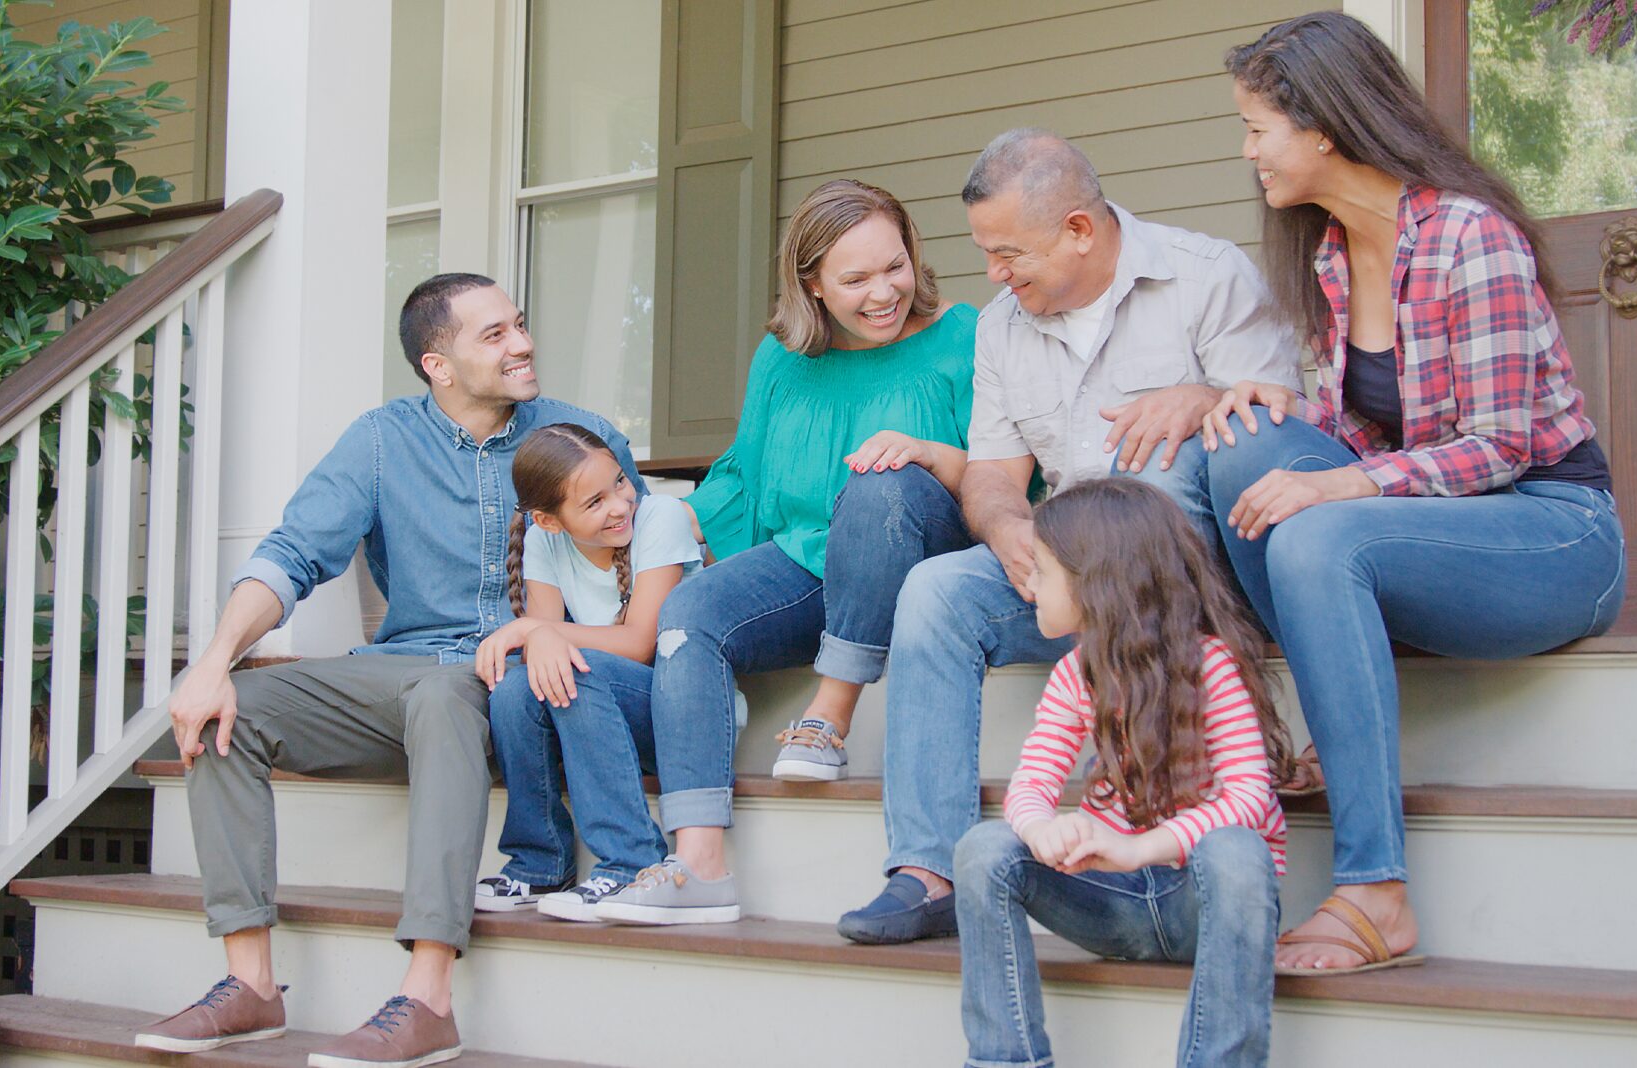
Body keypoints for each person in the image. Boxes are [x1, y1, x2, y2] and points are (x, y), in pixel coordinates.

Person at [1201, 12, 1625, 975]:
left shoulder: (1469, 236)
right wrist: (1276, 414)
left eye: (1257, 127)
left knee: (1316, 537)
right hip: (1434, 531)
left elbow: (1502, 446)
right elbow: (1356, 445)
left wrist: (1346, 483)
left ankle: (1376, 892)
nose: (1248, 151)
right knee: (1242, 450)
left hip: (1554, 531)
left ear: (1323, 126)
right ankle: (1335, 696)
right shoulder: (1328, 260)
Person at [136, 274, 644, 1066]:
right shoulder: (380, 441)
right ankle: (250, 983)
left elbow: (639, 564)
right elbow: (293, 554)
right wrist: (210, 663)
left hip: (518, 682)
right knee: (231, 708)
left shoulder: (576, 435)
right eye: (495, 335)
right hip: (400, 673)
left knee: (445, 693)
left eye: (520, 325)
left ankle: (428, 995)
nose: (523, 343)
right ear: (438, 364)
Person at [839, 128, 1303, 945]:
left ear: (1080, 231)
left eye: (1008, 252)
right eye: (986, 251)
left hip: (1178, 592)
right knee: (937, 591)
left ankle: (1157, 847)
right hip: (1066, 575)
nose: (993, 274)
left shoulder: (1205, 279)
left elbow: (1278, 428)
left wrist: (1200, 395)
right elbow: (990, 473)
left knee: (1157, 479)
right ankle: (929, 869)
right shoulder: (1001, 328)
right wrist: (1010, 525)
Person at [589, 179, 978, 924]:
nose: (883, 292)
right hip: (813, 566)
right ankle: (699, 861)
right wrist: (655, 527)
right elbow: (742, 475)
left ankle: (829, 714)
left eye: (894, 267)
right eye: (855, 279)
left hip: (925, 560)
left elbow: (1003, 477)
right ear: (813, 284)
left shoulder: (963, 334)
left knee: (878, 480)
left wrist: (925, 452)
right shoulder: (781, 359)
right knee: (691, 612)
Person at [955, 477, 1291, 1068]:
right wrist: (1042, 830)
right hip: (1111, 904)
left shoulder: (1211, 665)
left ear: (1096, 583)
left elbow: (1249, 794)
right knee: (984, 847)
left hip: (1200, 905)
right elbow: (1032, 784)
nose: (1028, 583)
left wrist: (1141, 849)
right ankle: (1005, 1060)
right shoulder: (1072, 677)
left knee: (1238, 851)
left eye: (1042, 569)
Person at [469, 423, 702, 918]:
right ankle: (540, 862)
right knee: (514, 690)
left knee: (576, 668)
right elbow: (545, 644)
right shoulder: (543, 541)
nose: (619, 505)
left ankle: (631, 863)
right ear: (550, 521)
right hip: (610, 713)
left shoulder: (661, 518)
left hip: (687, 717)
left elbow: (639, 644)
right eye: (594, 503)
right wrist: (538, 632)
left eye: (619, 483)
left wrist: (535, 629)